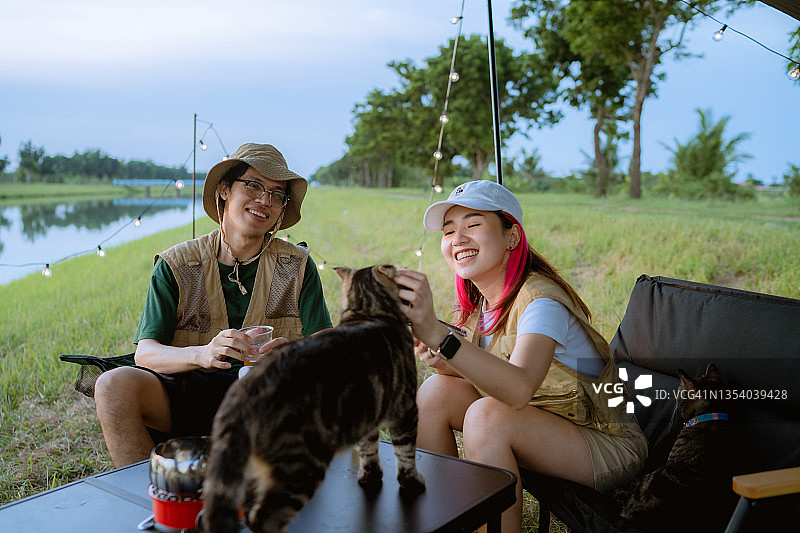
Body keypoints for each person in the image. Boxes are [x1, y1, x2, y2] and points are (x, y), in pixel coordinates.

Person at [395, 180, 647, 533]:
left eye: (473, 224)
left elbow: (517, 389)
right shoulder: (483, 303)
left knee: (487, 417)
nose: (458, 239)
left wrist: (440, 336)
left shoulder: (542, 303)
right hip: (541, 421)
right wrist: (446, 361)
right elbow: (492, 375)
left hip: (605, 441)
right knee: (434, 392)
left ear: (512, 236)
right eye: (449, 231)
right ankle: (442, 518)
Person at [94, 143, 333, 468]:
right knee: (112, 386)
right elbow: (146, 354)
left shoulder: (297, 266)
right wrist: (202, 354)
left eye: (277, 195)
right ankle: (151, 492)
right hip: (189, 392)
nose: (265, 200)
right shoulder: (177, 265)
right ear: (224, 190)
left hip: (269, 397)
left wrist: (292, 356)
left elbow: (328, 351)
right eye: (254, 186)